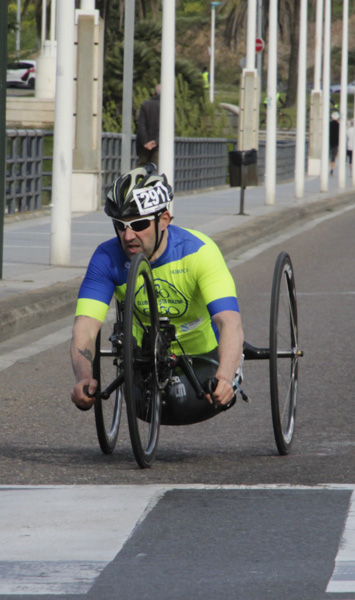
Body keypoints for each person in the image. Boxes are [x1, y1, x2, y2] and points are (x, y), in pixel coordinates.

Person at [69, 164, 245, 425]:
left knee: (191, 401)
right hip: (145, 360)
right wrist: (83, 378)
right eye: (120, 225)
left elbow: (229, 321)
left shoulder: (199, 252)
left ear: (164, 220)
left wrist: (226, 376)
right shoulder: (106, 257)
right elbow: (85, 325)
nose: (128, 235)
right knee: (146, 405)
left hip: (204, 357)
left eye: (139, 224)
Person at [136, 85, 160, 167]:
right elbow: (170, 129)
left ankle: (139, 180)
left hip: (143, 146)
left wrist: (145, 142)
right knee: (155, 168)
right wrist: (155, 142)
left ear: (154, 93)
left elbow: (141, 125)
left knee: (141, 168)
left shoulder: (145, 105)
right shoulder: (167, 106)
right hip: (159, 145)